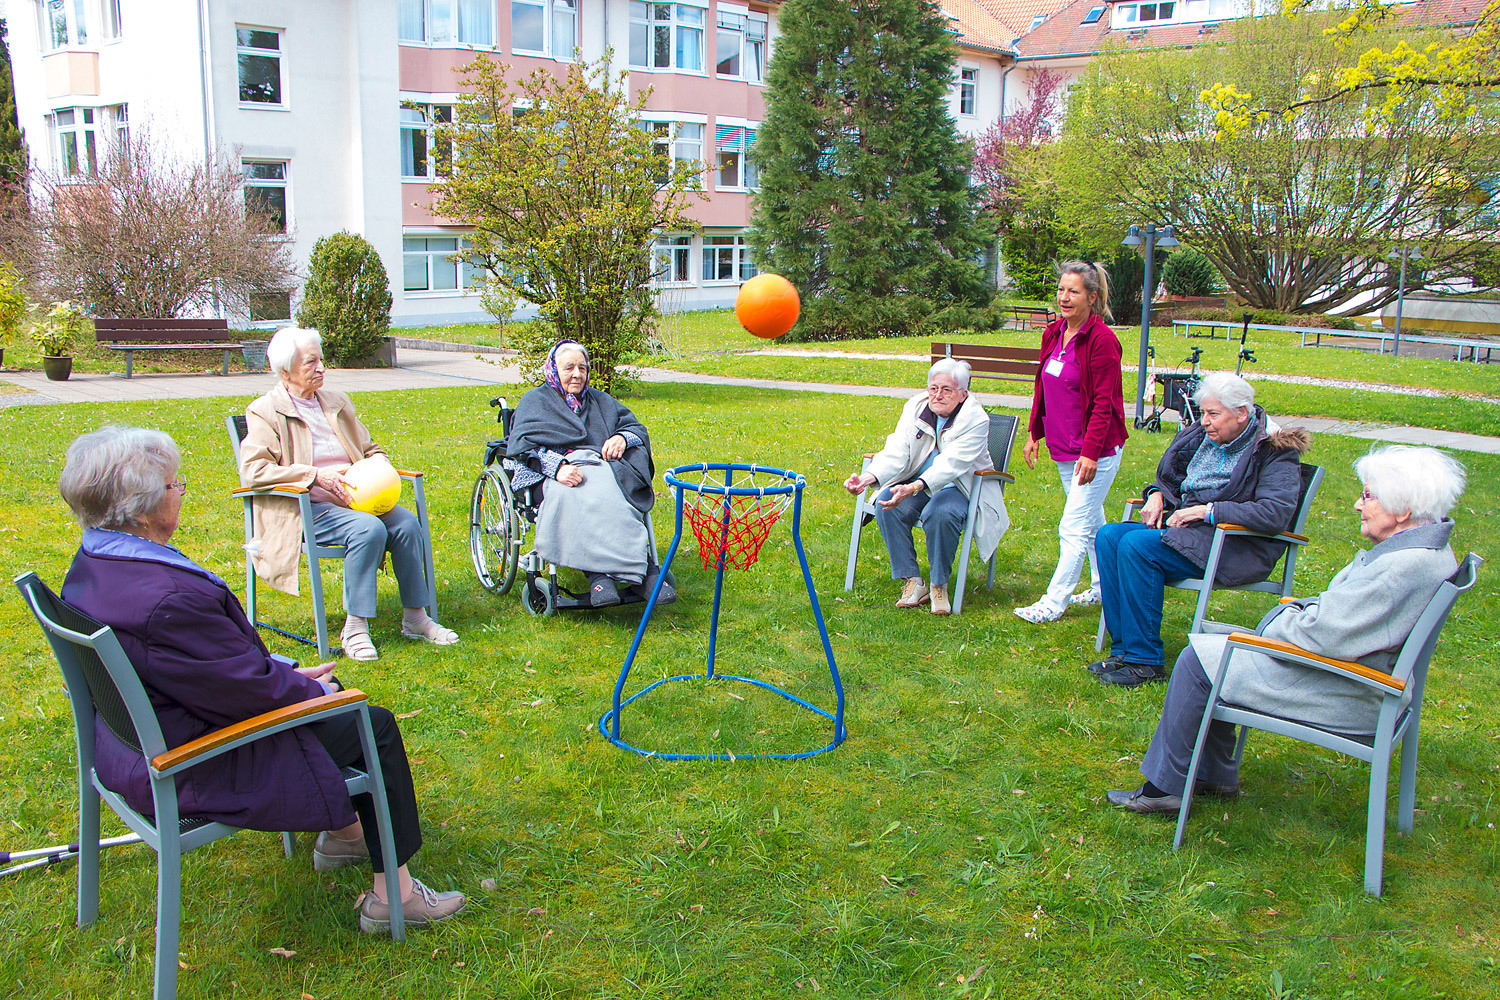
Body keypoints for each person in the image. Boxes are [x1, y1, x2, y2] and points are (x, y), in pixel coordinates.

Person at [57, 426, 466, 931]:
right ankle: (395, 898)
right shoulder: (166, 599)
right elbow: (245, 693)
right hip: (190, 759)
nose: (182, 490)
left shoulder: (95, 561)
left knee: (331, 703)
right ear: (140, 510)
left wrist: (287, 671)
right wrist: (311, 689)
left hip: (129, 746)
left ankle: (343, 837)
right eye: (173, 484)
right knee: (370, 723)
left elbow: (209, 669)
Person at [1107, 445, 1467, 813]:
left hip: (1353, 692)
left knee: (1197, 661)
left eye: (1368, 496)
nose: (1358, 505)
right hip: (1361, 675)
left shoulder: (1401, 568)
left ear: (1403, 509)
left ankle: (1163, 789)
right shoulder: (1425, 551)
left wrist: (1279, 620)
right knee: (1215, 646)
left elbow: (1323, 635)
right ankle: (1215, 775)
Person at [240, 326, 457, 661]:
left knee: (406, 524)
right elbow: (254, 471)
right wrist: (314, 476)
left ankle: (416, 617)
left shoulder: (337, 403)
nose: (322, 368)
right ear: (285, 371)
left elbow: (371, 447)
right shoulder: (264, 411)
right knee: (367, 529)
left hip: (361, 497)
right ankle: (355, 628)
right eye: (311, 362)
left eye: (321, 360)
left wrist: (380, 464)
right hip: (307, 507)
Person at [1091, 372, 1310, 686]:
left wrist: (1208, 511)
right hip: (1191, 532)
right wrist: (1156, 495)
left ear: (1242, 413)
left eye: (1213, 414)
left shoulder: (1274, 451)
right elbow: (1172, 479)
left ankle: (1145, 660)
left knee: (1137, 547)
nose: (1205, 421)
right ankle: (1124, 651)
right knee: (1110, 536)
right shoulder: (1202, 437)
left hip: (1234, 544)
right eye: (1203, 413)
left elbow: (1273, 513)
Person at [506, 340, 673, 607]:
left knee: (618, 492)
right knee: (576, 495)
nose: (577, 374)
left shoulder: (600, 400)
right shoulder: (535, 401)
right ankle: (598, 576)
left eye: (582, 368)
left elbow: (635, 427)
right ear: (553, 369)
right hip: (552, 473)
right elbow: (521, 448)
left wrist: (622, 437)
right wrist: (556, 467)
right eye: (569, 367)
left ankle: (641, 573)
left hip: (599, 467)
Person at [843, 358, 1009, 616]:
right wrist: (869, 477)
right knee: (887, 502)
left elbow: (953, 465)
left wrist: (915, 487)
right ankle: (912, 580)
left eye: (947, 390)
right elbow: (898, 449)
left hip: (962, 485)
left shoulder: (976, 419)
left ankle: (938, 584)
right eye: (934, 388)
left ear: (964, 393)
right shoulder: (916, 406)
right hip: (919, 480)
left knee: (940, 513)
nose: (937, 395)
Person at [1013, 261, 1129, 624]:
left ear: (1092, 298)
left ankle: (1053, 602)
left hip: (1097, 449)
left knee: (1073, 526)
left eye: (1073, 291)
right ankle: (1102, 586)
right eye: (1062, 290)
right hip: (1063, 446)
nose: (1064, 297)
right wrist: (1035, 432)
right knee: (1092, 524)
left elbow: (1104, 404)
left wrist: (1091, 453)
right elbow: (1042, 385)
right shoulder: (1053, 333)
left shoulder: (1103, 341)